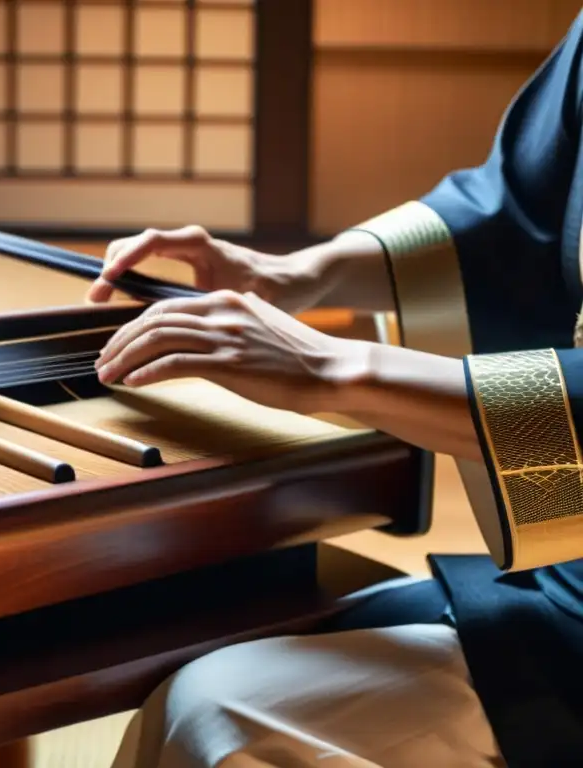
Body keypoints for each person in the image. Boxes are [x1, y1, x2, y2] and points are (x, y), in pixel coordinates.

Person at [86, 10, 583, 768]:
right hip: (566, 587)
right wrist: (292, 276)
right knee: (204, 655)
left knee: (223, 713)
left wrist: (334, 368)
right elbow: (509, 211)